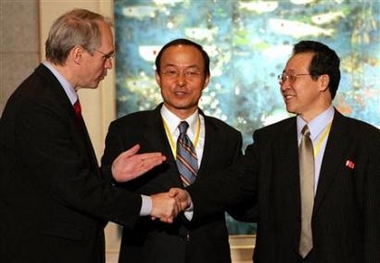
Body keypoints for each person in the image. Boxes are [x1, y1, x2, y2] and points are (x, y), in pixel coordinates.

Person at [0, 9, 185, 263]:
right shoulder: (38, 105)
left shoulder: (50, 95)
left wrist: (111, 174)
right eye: (106, 56)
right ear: (78, 54)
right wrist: (151, 204)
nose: (109, 64)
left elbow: (58, 176)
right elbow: (75, 189)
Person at [172, 40, 380, 263]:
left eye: (292, 77)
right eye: (283, 77)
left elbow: (375, 223)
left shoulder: (366, 142)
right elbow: (233, 183)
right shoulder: (269, 141)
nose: (284, 85)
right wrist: (190, 197)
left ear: (322, 81)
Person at [101, 38, 246, 263]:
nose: (181, 82)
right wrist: (112, 177)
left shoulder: (228, 138)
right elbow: (105, 199)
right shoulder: (127, 131)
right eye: (171, 72)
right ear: (158, 77)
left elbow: (240, 203)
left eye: (191, 73)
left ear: (206, 79)